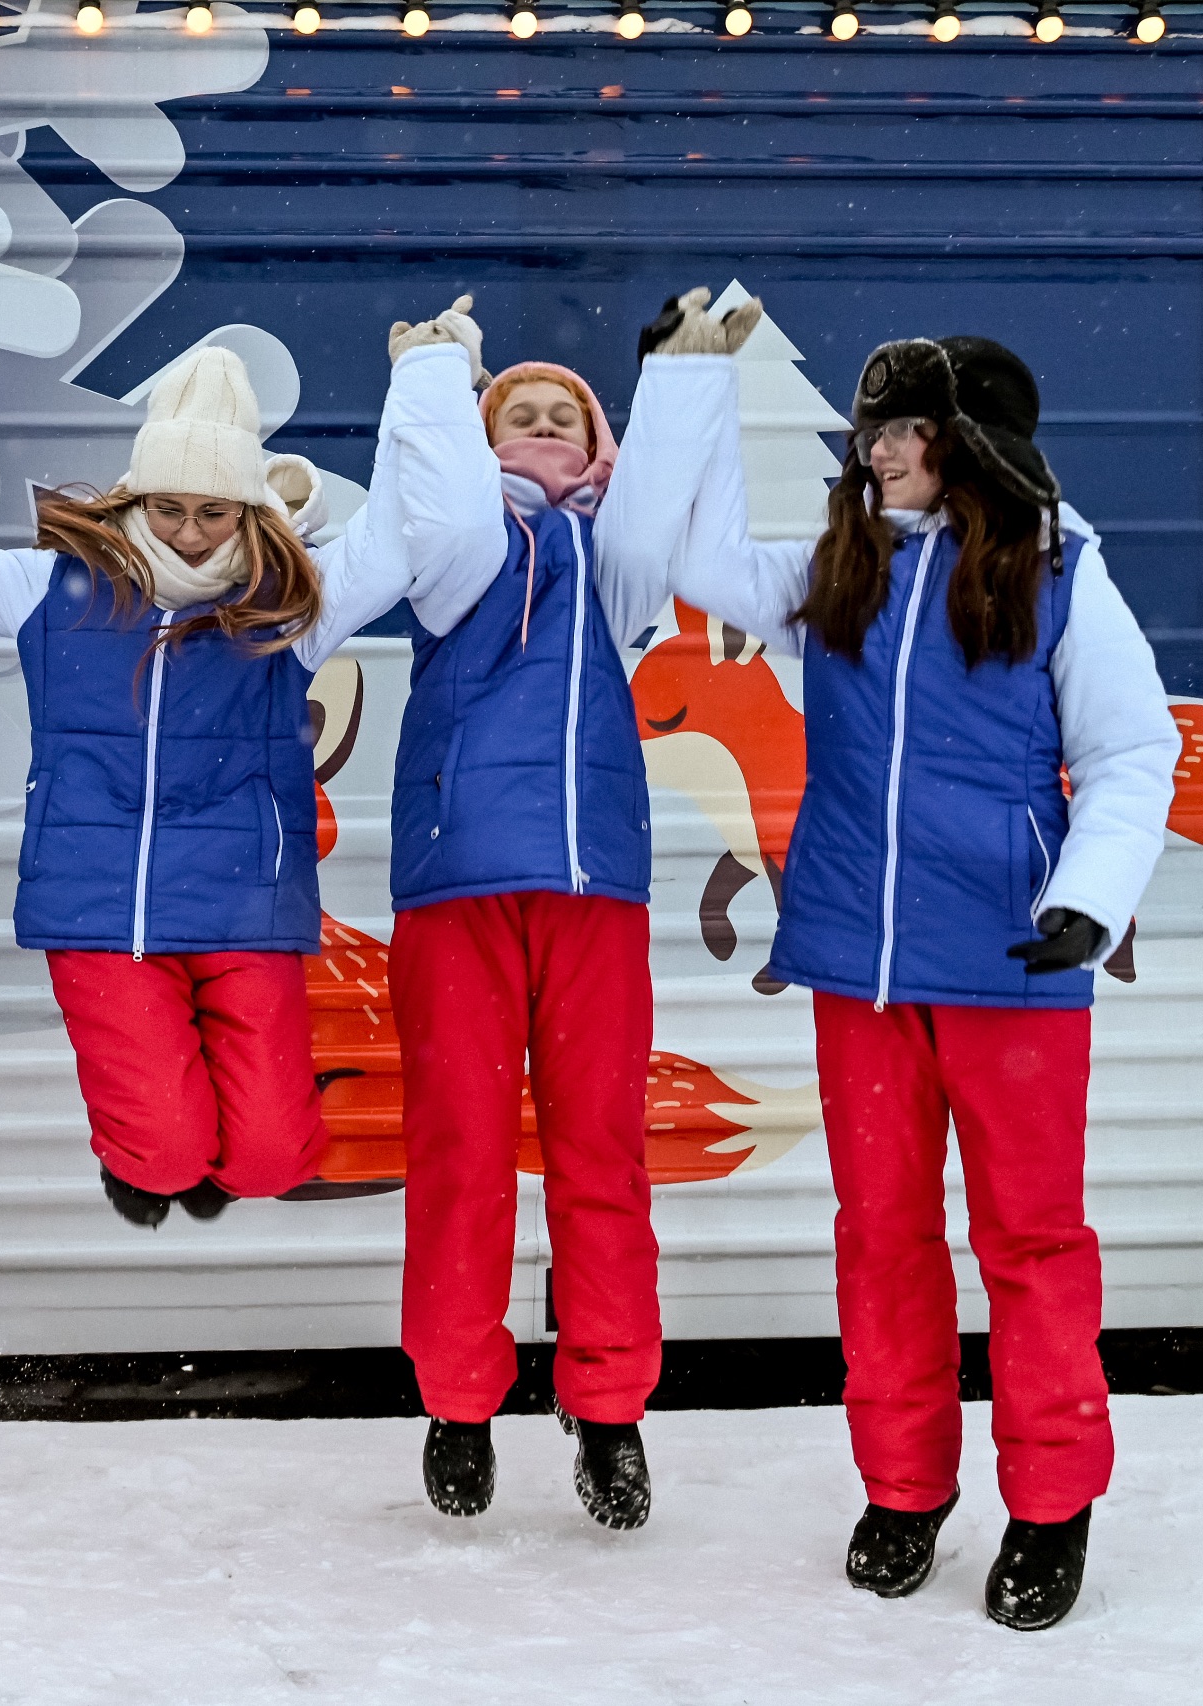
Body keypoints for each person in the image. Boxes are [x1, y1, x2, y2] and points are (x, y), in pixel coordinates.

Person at [670, 329, 1179, 1630]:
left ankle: (1049, 1500)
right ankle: (903, 1486)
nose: (878, 450)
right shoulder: (837, 570)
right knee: (881, 1235)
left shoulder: (1058, 574)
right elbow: (691, 557)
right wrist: (688, 379)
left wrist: (1087, 896)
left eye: (904, 429)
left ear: (966, 447)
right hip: (861, 967)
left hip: (1011, 963)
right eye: (873, 430)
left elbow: (1130, 750)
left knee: (1030, 1239)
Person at [0, 299, 501, 1228]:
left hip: (242, 907)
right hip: (102, 910)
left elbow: (403, 539)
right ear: (136, 496)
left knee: (272, 1156)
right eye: (169, 508)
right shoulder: (61, 589)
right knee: (164, 1149)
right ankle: (155, 1147)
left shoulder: (288, 602)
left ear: (247, 506)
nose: (191, 532)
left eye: (213, 511)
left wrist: (428, 379)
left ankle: (189, 1137)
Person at [387, 291, 762, 1531]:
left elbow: (653, 506)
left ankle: (608, 1406)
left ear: (597, 445)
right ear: (480, 437)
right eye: (520, 413)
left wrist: (686, 374)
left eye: (565, 415)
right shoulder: (446, 548)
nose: (543, 426)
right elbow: (433, 495)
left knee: (601, 1152)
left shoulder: (612, 568)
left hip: (592, 887)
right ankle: (457, 1399)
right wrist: (438, 382)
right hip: (457, 886)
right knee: (459, 1154)